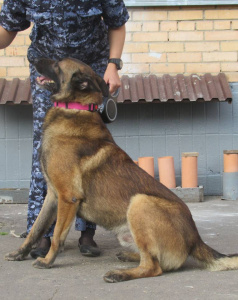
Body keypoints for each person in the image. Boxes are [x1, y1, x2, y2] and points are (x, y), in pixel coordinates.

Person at [0, 0, 129, 258]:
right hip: (48, 73)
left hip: (87, 74)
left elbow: (117, 23)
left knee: (87, 152)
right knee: (46, 152)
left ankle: (87, 233)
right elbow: (6, 29)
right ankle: (41, 236)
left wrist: (113, 65)